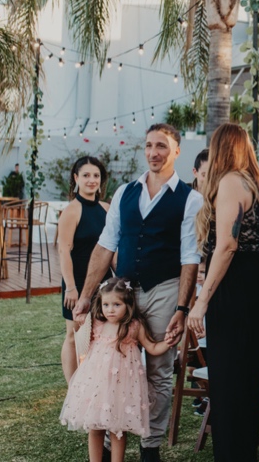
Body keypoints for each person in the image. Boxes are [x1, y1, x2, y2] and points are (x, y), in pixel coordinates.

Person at [74, 123, 204, 462]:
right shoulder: (124, 192)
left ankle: (150, 446)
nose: (153, 152)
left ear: (176, 151)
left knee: (159, 370)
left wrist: (182, 308)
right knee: (111, 367)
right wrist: (86, 296)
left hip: (165, 290)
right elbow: (106, 245)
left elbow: (190, 257)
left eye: (161, 146)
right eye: (148, 145)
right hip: (124, 294)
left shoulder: (191, 199)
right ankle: (109, 436)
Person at [184, 123, 259, 461]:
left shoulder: (229, 182)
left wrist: (201, 301)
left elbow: (226, 246)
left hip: (237, 285)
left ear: (219, 148)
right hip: (254, 280)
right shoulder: (248, 180)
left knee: (228, 383)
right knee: (241, 382)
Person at [59, 278, 181, 462]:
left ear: (128, 304)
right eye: (106, 304)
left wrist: (168, 342)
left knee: (118, 429)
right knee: (95, 427)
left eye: (117, 304)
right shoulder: (96, 323)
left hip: (122, 388)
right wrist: (81, 318)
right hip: (98, 386)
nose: (110, 310)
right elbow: (80, 340)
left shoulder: (134, 326)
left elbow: (152, 347)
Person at [58, 156, 111, 382]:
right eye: (86, 175)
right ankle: (73, 387)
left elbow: (112, 248)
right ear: (76, 178)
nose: (92, 180)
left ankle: (93, 383)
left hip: (104, 282)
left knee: (99, 335)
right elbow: (64, 251)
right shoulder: (71, 211)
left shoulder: (107, 209)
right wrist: (71, 287)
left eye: (96, 175)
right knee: (74, 335)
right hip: (76, 281)